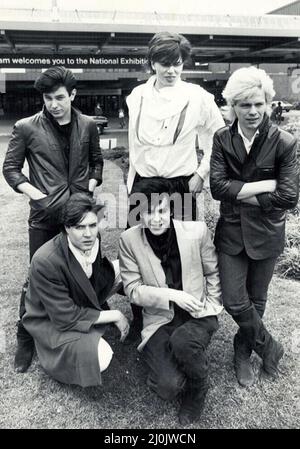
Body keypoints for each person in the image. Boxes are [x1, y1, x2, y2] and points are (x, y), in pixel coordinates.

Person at [2, 66, 103, 373]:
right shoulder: (26, 127)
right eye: (48, 98)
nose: (54, 104)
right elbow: (11, 169)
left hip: (79, 214)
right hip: (45, 217)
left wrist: (91, 186)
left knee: (84, 271)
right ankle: (25, 336)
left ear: (73, 94)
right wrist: (36, 193)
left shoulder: (88, 125)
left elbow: (96, 162)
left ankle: (78, 323)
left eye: (60, 97)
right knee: (37, 277)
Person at [125, 31, 224, 341]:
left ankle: (184, 317)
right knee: (142, 251)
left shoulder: (198, 97)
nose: (171, 70)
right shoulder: (137, 95)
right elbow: (134, 146)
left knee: (181, 252)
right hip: (144, 185)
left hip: (181, 184)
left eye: (177, 64)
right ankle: (144, 319)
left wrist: (202, 173)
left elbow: (218, 138)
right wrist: (133, 184)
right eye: (164, 63)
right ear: (152, 63)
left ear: (184, 64)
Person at [210, 66, 299, 388]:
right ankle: (270, 347)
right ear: (233, 105)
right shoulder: (222, 138)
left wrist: (240, 191)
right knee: (234, 300)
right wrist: (265, 186)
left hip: (267, 232)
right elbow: (218, 189)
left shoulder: (284, 142)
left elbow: (288, 197)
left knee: (257, 299)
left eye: (258, 104)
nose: (252, 111)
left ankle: (242, 351)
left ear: (268, 104)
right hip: (231, 232)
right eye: (244, 104)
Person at [119, 178, 223, 425]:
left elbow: (212, 273)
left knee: (183, 341)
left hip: (197, 314)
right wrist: (174, 295)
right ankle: (180, 358)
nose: (156, 219)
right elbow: (132, 290)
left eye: (162, 211)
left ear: (171, 208)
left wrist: (211, 307)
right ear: (138, 212)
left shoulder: (196, 232)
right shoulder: (128, 240)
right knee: (167, 388)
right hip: (159, 319)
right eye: (148, 212)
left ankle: (199, 386)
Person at [22, 193, 129, 387]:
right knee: (101, 356)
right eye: (79, 227)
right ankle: (54, 354)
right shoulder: (46, 261)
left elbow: (92, 276)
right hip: (53, 319)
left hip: (82, 297)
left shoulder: (93, 239)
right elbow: (65, 317)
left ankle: (149, 327)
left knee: (130, 268)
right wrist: (114, 314)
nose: (88, 234)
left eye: (92, 225)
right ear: (66, 228)